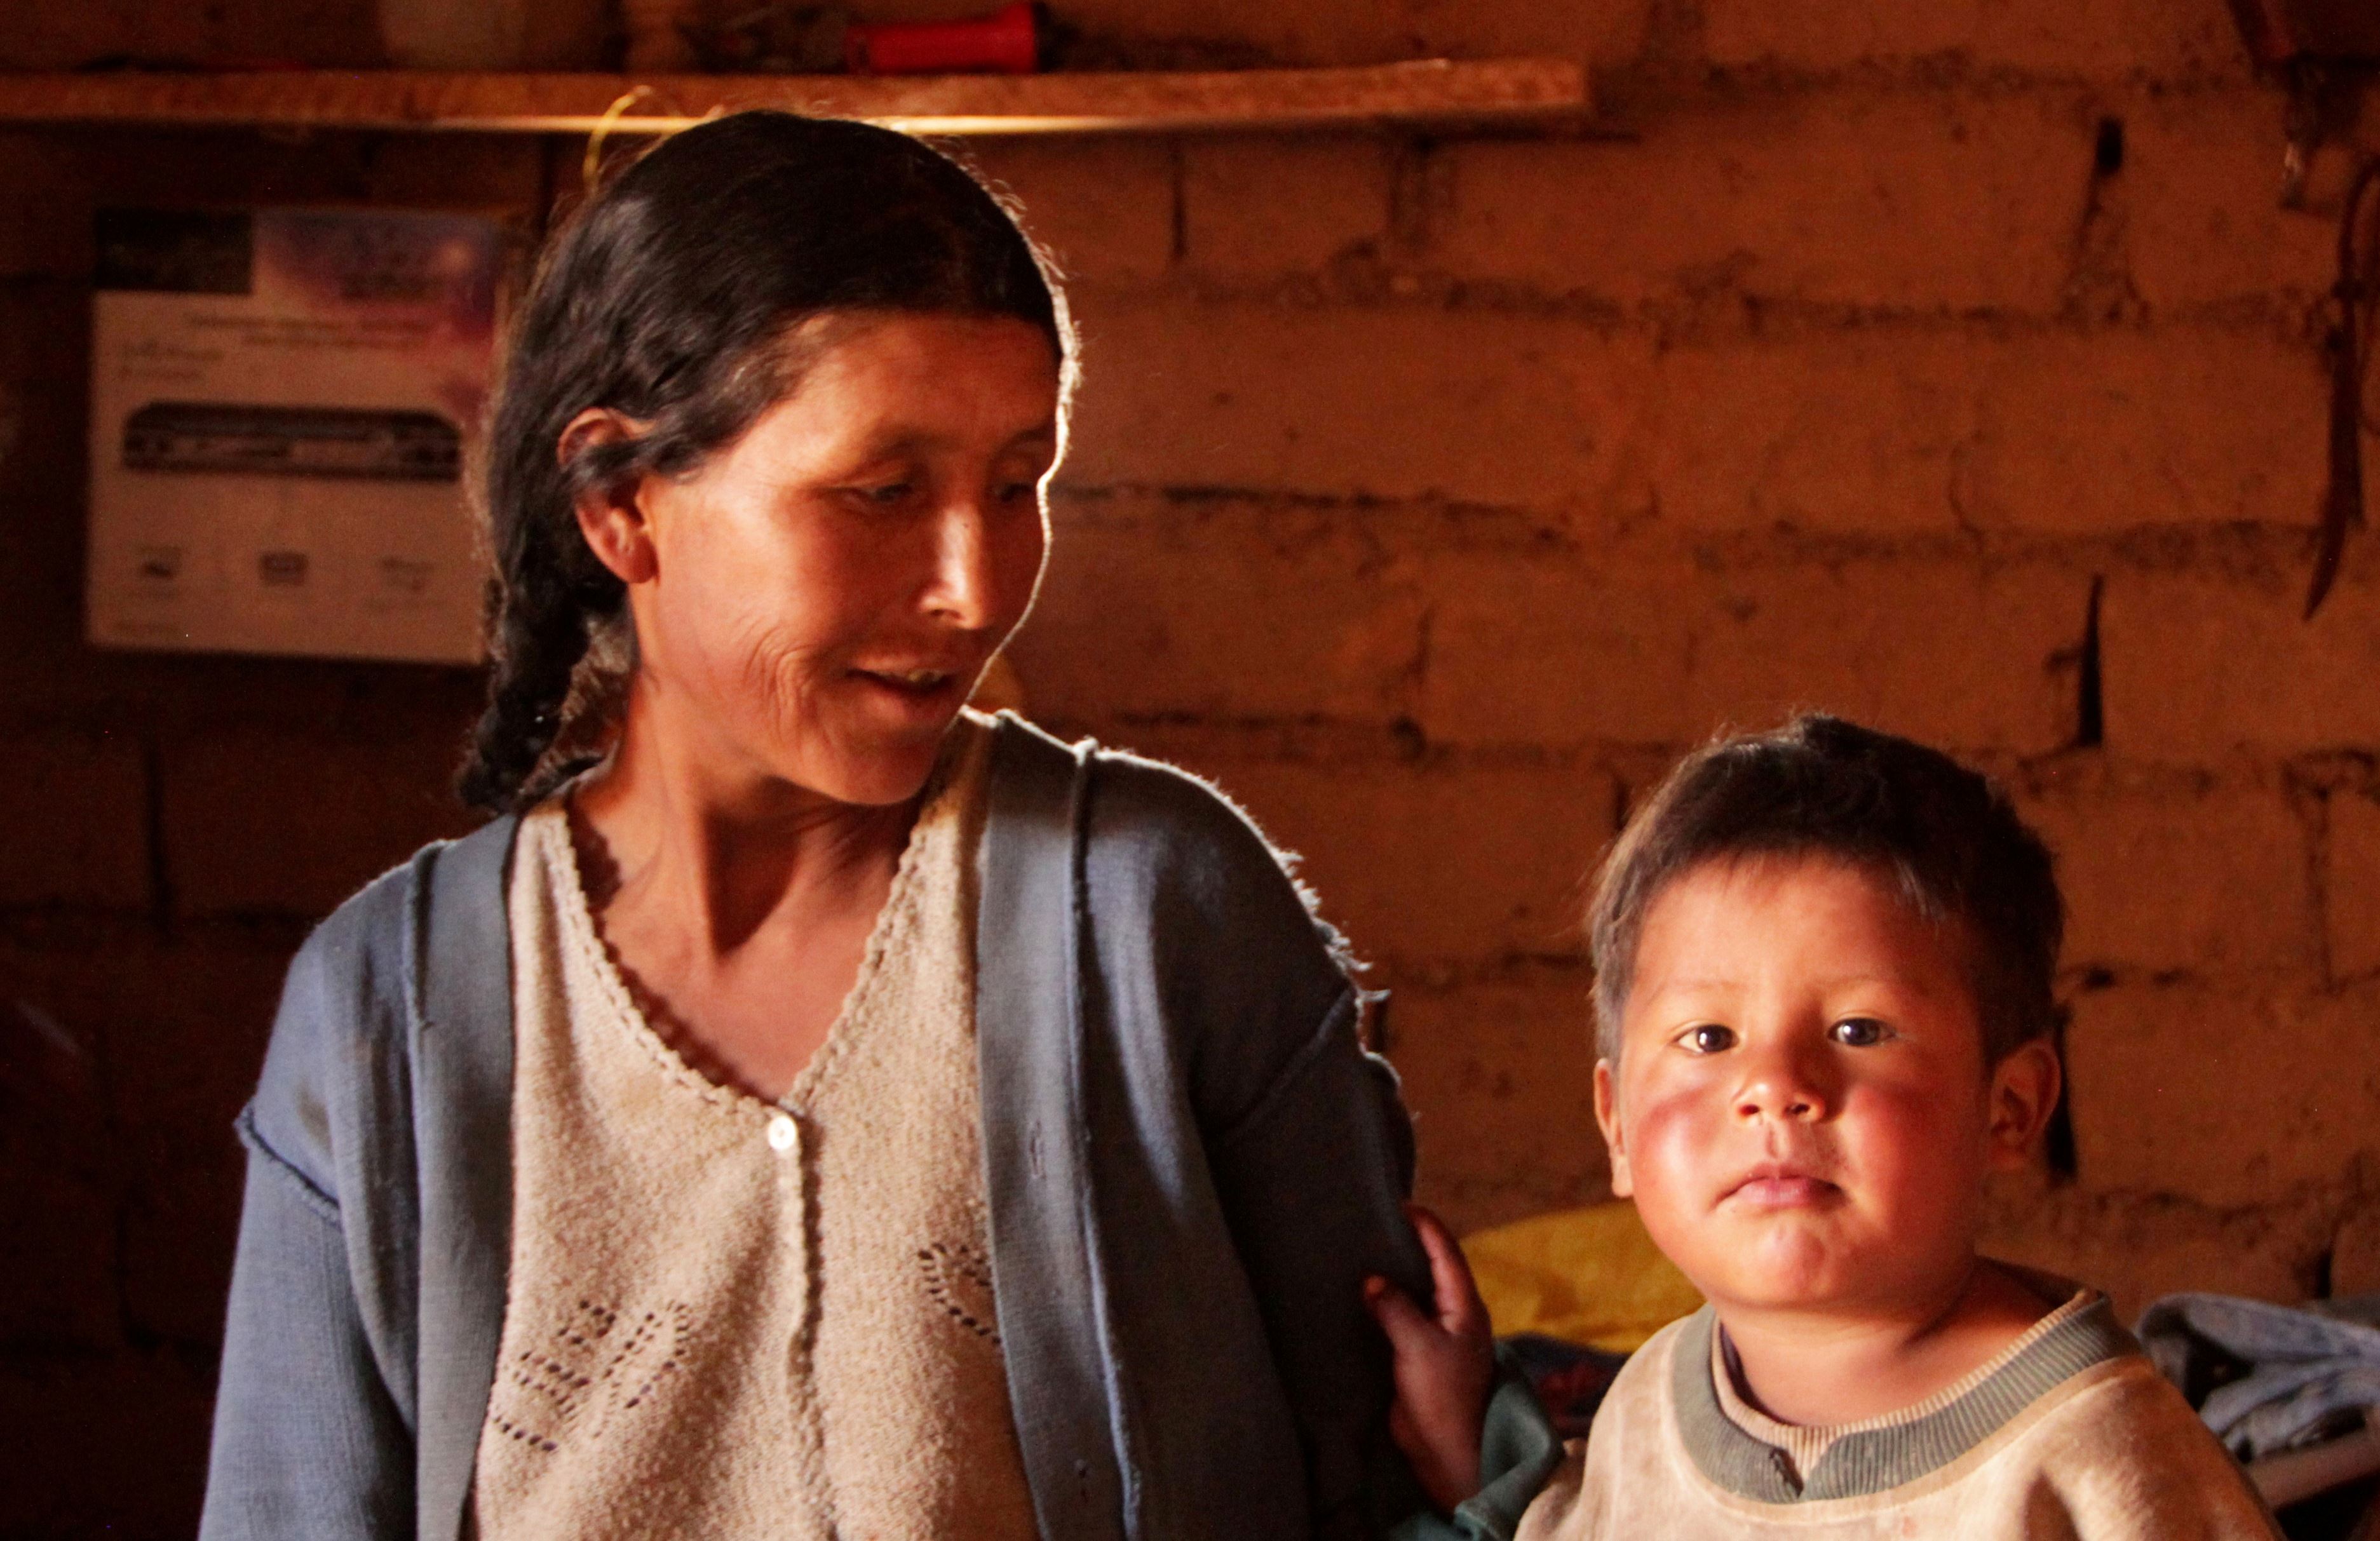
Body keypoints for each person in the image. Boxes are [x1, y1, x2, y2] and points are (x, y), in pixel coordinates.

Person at [199, 110, 1431, 1541]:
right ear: (620, 501)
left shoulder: (1153, 918)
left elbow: (1390, 1481)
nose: (975, 586)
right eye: (882, 492)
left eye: (1018, 484)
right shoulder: (390, 1020)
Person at [1367, 715, 2282, 1539]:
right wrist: (1467, 1443)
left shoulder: (2096, 1455)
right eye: (1708, 1036)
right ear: (1615, 1127)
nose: (1774, 1085)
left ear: (2007, 1108)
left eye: (1858, 1030)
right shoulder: (1651, 1405)